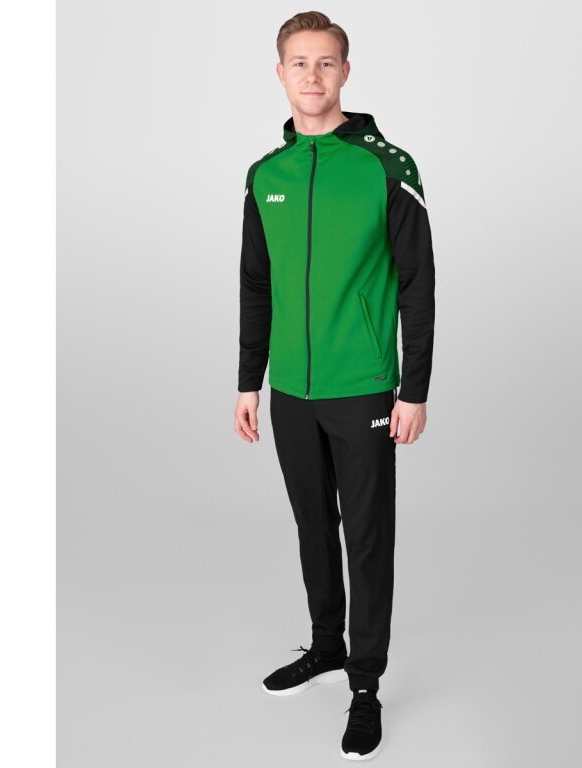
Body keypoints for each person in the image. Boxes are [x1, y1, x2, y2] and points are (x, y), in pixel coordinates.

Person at [233, 10, 435, 761]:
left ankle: (366, 684)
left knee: (368, 534)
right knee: (312, 524)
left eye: (326, 63)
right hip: (292, 390)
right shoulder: (265, 176)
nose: (312, 76)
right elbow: (256, 285)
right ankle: (325, 645)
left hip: (364, 389)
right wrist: (250, 381)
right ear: (280, 73)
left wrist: (413, 389)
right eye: (299, 63)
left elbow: (418, 285)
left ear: (346, 72)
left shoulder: (387, 167)